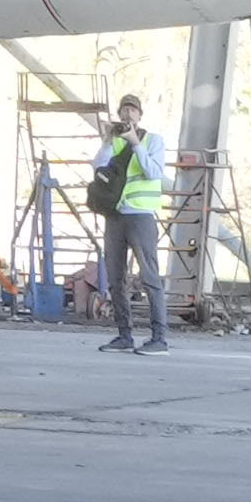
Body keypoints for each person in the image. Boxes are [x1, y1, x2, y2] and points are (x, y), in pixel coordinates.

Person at [90, 95, 172, 350]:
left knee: (149, 277)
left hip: (141, 216)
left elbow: (154, 172)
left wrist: (135, 143)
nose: (127, 115)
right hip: (115, 216)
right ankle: (124, 335)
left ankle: (159, 338)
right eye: (124, 110)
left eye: (132, 110)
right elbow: (98, 168)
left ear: (140, 115)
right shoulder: (115, 143)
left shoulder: (152, 141)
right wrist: (107, 140)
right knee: (116, 278)